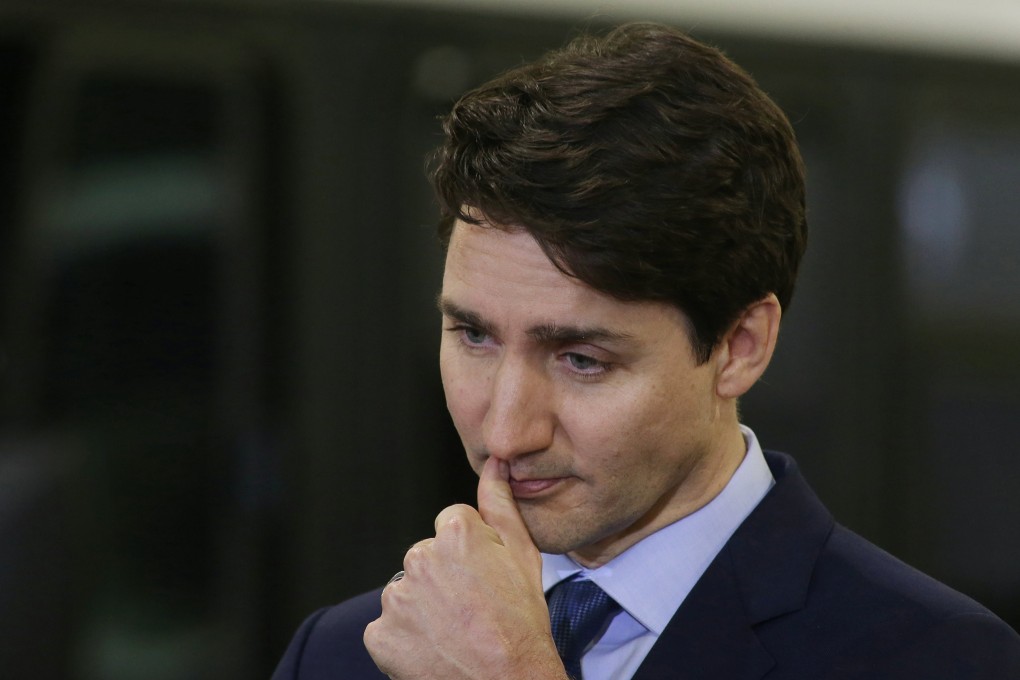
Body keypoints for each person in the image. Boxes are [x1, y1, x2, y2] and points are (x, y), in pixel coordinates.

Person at [271, 22, 1020, 680]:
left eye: (582, 360)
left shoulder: (936, 658)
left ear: (739, 346)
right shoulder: (344, 653)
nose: (504, 433)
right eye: (474, 336)